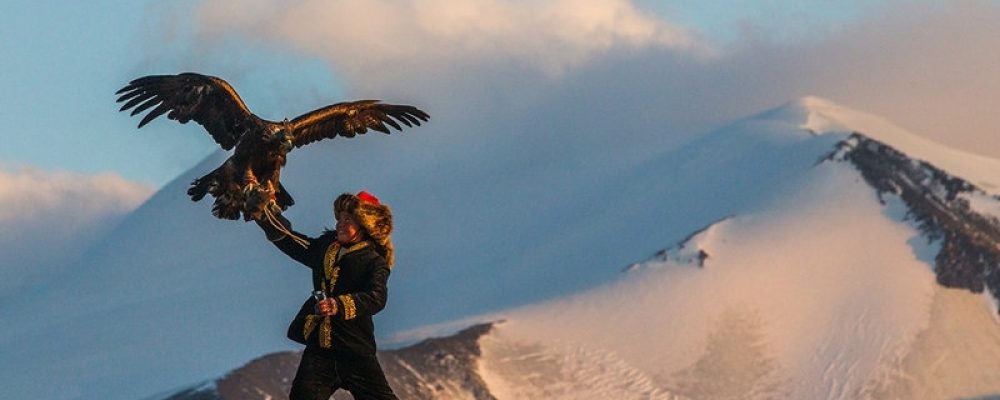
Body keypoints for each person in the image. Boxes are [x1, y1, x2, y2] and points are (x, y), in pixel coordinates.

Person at [254, 190, 398, 400]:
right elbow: (292, 241)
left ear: (365, 225)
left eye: (347, 219)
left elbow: (377, 298)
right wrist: (265, 217)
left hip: (356, 353)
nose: (340, 223)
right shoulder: (324, 249)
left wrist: (338, 305)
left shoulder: (374, 261)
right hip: (320, 352)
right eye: (339, 218)